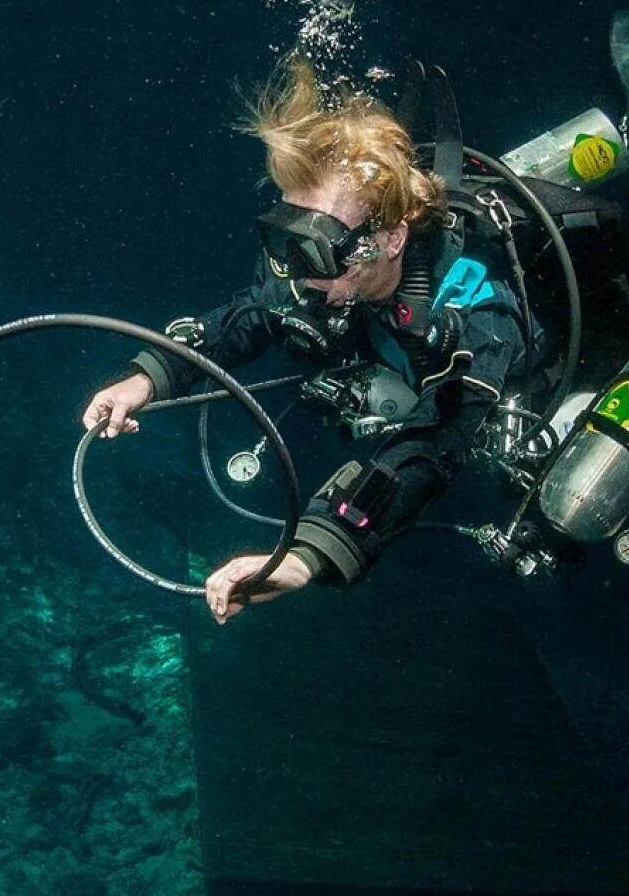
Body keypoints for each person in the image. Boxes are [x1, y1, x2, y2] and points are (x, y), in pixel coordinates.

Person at [82, 57, 539, 624]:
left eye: (318, 247)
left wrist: (307, 557)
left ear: (391, 238)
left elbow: (436, 436)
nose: (296, 273)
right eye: (285, 237)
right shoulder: (316, 279)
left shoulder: (475, 301)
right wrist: (143, 380)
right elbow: (247, 317)